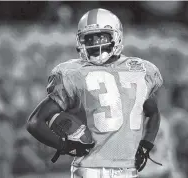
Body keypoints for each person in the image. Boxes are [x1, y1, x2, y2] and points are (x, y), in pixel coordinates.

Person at [27, 8, 163, 178]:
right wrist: (66, 146)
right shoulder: (74, 73)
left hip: (126, 171)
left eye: (101, 37)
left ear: (117, 36)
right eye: (89, 38)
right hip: (90, 171)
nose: (95, 43)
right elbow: (35, 122)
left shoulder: (140, 70)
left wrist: (145, 145)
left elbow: (153, 112)